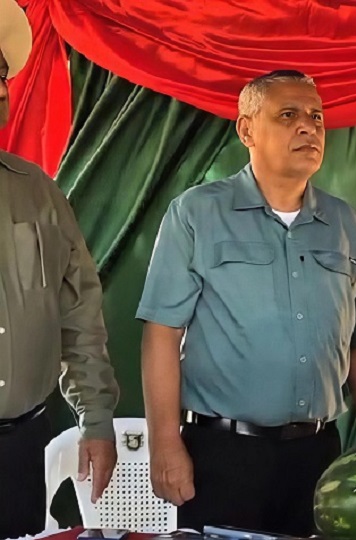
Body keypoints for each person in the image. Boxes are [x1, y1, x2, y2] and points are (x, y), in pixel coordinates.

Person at [137, 70, 356, 534]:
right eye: (288, 115)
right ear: (246, 129)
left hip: (319, 457)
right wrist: (164, 443)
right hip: (223, 455)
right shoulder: (197, 213)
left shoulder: (347, 223)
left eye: (316, 117)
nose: (308, 127)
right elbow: (161, 333)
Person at [0, 0, 119, 535]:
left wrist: (95, 418)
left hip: (19, 447)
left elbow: (80, 312)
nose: (1, 89)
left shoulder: (39, 193)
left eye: (0, 76)